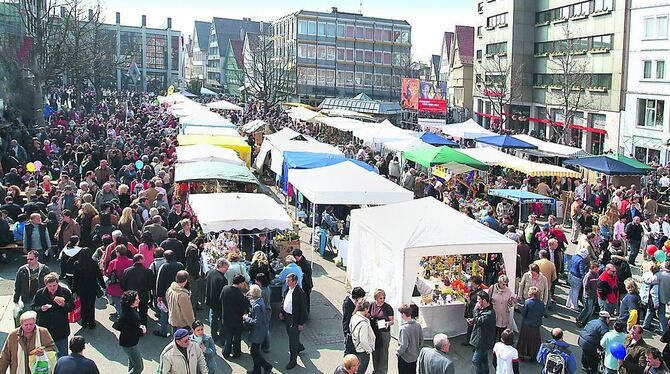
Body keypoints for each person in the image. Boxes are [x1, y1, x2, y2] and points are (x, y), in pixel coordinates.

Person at [31, 272, 74, 358]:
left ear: (58, 283)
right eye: (50, 286)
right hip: (45, 330)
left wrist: (63, 305)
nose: (52, 288)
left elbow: (71, 307)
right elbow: (33, 306)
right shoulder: (40, 293)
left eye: (54, 285)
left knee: (62, 356)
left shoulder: (65, 292)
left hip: (61, 330)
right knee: (47, 356)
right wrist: (41, 309)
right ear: (46, 285)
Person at [279, 273, 308, 370]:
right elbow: (284, 300)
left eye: (288, 281)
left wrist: (301, 323)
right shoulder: (288, 288)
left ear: (295, 282)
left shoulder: (300, 293)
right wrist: (282, 311)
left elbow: (304, 310)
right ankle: (299, 346)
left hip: (294, 319)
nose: (286, 282)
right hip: (287, 316)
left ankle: (293, 361)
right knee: (291, 336)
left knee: (292, 341)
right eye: (286, 280)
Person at [71, 247, 105, 329]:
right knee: (91, 305)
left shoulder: (77, 264)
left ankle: (84, 321)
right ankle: (91, 322)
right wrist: (103, 285)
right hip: (92, 288)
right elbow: (99, 275)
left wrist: (74, 290)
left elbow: (75, 278)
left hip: (81, 289)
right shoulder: (93, 263)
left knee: (83, 305)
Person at [113, 290, 145, 374]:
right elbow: (129, 330)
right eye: (136, 299)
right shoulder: (128, 314)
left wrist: (139, 326)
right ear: (131, 302)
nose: (139, 300)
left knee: (132, 363)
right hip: (129, 344)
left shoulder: (129, 310)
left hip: (129, 342)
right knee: (139, 367)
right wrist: (141, 330)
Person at [154, 249, 184, 337]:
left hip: (166, 294)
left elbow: (159, 282)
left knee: (165, 312)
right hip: (179, 292)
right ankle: (176, 333)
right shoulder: (180, 265)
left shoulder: (163, 267)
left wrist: (158, 295)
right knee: (177, 313)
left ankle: (163, 331)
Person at [220, 274, 251, 359]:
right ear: (240, 283)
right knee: (237, 337)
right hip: (237, 320)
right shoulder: (240, 294)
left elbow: (221, 299)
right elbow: (246, 306)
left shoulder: (225, 289)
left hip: (226, 318)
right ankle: (236, 353)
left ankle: (226, 352)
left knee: (228, 336)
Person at [244, 284, 273, 373]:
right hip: (259, 330)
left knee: (254, 352)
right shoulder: (259, 300)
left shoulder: (257, 306)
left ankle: (267, 366)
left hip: (258, 332)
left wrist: (246, 318)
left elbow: (257, 322)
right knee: (255, 352)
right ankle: (257, 370)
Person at [121, 253, 154, 326]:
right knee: (143, 312)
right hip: (143, 295)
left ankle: (133, 325)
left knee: (131, 312)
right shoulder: (148, 271)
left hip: (131, 296)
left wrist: (127, 291)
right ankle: (143, 326)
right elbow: (151, 284)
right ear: (140, 260)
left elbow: (123, 284)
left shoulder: (126, 271)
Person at [469, 291, 497, 374]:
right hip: (482, 340)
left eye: (479, 300)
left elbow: (479, 320)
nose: (478, 302)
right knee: (483, 359)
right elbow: (479, 320)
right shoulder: (485, 310)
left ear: (484, 301)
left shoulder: (489, 313)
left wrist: (475, 310)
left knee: (476, 361)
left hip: (483, 341)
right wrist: (473, 320)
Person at [369, 289, 394, 374]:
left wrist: (387, 323)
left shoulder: (388, 307)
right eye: (380, 298)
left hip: (384, 332)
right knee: (374, 351)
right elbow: (368, 315)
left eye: (384, 297)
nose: (383, 299)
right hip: (374, 331)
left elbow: (392, 321)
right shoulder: (372, 305)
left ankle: (382, 371)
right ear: (376, 298)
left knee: (383, 352)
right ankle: (376, 370)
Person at [204, 258, 229, 342]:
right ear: (222, 267)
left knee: (213, 318)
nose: (227, 270)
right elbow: (223, 295)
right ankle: (222, 337)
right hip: (218, 303)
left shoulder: (209, 272)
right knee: (221, 320)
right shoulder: (223, 280)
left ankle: (213, 335)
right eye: (226, 268)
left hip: (210, 299)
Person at [517, 286, 545, 361]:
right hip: (535, 326)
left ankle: (522, 355)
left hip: (526, 325)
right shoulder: (541, 303)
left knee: (524, 341)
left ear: (532, 294)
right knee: (534, 342)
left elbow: (523, 313)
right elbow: (542, 313)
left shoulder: (527, 302)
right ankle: (533, 356)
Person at [105, 244, 134, 316]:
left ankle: (121, 315)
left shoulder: (113, 262)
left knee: (117, 301)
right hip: (128, 286)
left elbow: (108, 273)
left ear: (117, 252)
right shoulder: (131, 261)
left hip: (116, 286)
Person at [350, 300, 375, 374]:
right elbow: (363, 340)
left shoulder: (354, 316)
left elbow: (350, 327)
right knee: (360, 371)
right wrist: (369, 350)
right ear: (366, 309)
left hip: (356, 346)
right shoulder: (363, 323)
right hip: (363, 351)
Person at [488, 274, 515, 341]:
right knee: (493, 333)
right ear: (499, 282)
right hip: (494, 315)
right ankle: (492, 346)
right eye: (503, 284)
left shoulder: (508, 290)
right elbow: (488, 299)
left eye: (506, 284)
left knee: (501, 334)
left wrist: (511, 301)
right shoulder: (492, 288)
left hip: (503, 316)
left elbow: (510, 305)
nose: (505, 286)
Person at [577, 261, 601, 326]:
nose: (597, 270)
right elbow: (586, 286)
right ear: (592, 268)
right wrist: (590, 293)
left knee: (589, 310)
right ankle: (579, 319)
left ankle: (585, 321)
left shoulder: (596, 274)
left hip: (594, 295)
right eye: (596, 269)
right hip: (588, 296)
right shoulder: (588, 276)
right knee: (588, 310)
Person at [343, 287, 366, 355]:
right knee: (349, 351)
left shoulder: (356, 302)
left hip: (355, 327)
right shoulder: (347, 303)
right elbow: (350, 316)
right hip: (349, 330)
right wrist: (357, 307)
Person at [293, 248, 313, 316]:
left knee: (306, 300)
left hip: (306, 285)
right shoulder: (298, 262)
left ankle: (306, 313)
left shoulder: (305, 264)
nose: (295, 259)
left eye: (296, 257)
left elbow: (308, 276)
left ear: (300, 256)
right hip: (303, 284)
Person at [657, 261, 670, 334]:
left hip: (660, 296)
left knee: (661, 313)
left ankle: (663, 329)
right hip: (667, 297)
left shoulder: (661, 274)